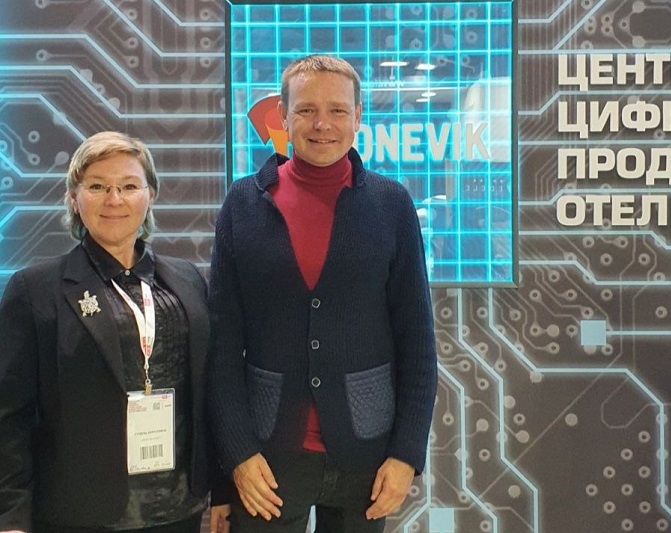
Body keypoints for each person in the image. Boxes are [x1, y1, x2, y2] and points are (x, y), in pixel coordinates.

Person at [208, 55, 437, 532]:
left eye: (337, 110)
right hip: (267, 459)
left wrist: (407, 454)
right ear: (282, 116)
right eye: (307, 109)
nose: (322, 124)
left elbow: (417, 342)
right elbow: (222, 347)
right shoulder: (242, 205)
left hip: (368, 457)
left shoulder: (391, 205)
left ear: (357, 116)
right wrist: (238, 454)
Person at [0, 132, 231, 533]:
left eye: (128, 186)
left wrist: (223, 488)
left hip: (180, 507)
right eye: (97, 187)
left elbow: (210, 393)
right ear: (74, 198)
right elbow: (9, 416)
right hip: (80, 514)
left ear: (150, 195)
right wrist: (11, 517)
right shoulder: (35, 291)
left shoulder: (188, 280)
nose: (114, 199)